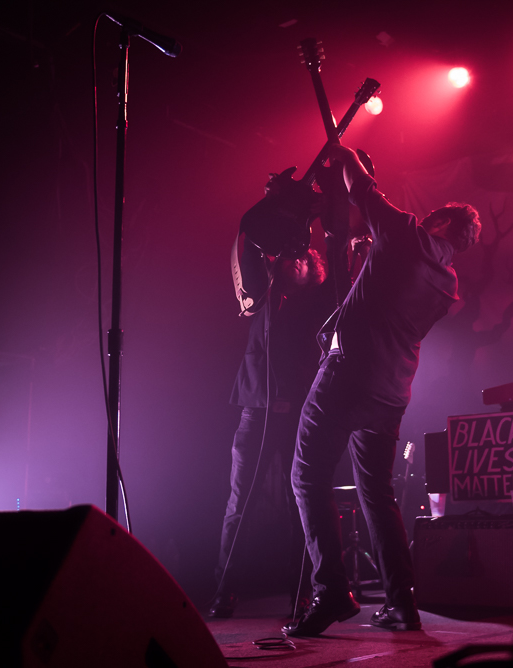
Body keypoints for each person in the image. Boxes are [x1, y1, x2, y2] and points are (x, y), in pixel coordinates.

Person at [283, 143, 481, 637]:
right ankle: (401, 604)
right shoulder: (448, 284)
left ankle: (331, 593)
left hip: (347, 376)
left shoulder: (406, 233)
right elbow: (384, 304)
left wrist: (339, 145)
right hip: (392, 392)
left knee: (307, 476)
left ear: (436, 221)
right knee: (377, 493)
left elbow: (357, 180)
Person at [210, 169, 350, 619]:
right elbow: (247, 233)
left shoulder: (320, 301)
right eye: (290, 255)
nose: (296, 259)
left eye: (305, 256)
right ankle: (223, 590)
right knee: (240, 503)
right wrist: (275, 202)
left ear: (316, 268)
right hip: (256, 411)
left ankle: (302, 592)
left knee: (300, 503)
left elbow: (340, 263)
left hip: (298, 418)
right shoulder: (263, 297)